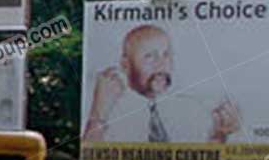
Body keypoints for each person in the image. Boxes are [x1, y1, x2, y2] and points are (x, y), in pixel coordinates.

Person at [83, 25, 240, 143]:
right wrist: (98, 115)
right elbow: (91, 159)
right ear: (125, 64)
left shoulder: (190, 107)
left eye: (166, 55)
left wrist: (220, 134)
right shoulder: (107, 105)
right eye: (149, 57)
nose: (161, 64)